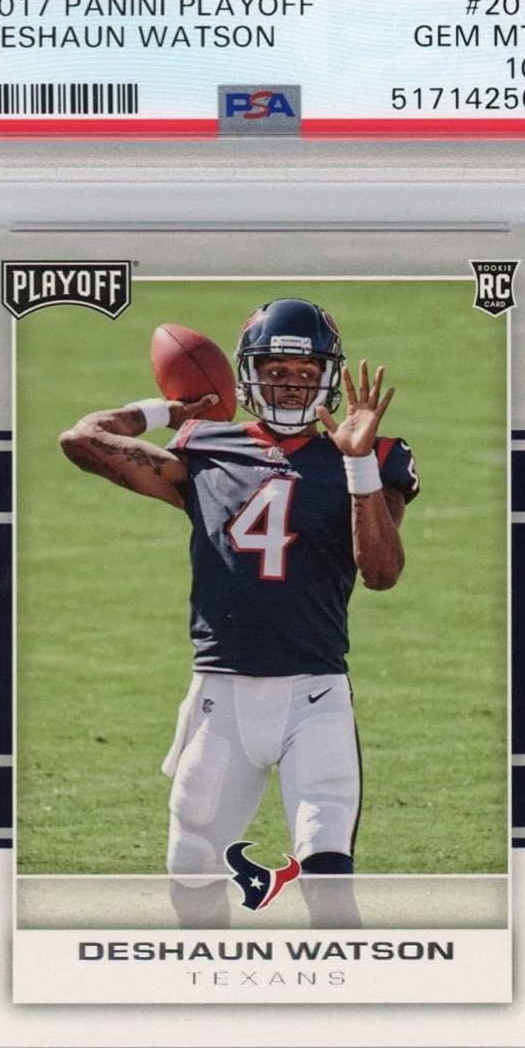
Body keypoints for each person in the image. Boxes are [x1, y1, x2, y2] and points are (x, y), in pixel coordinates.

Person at [59, 298, 419, 926]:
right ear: (249, 374)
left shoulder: (370, 456)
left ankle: (352, 989)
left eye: (306, 372)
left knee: (327, 875)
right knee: (191, 868)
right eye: (277, 370)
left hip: (314, 695)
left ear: (328, 378)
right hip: (220, 697)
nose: (291, 384)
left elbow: (382, 572)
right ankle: (209, 985)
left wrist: (358, 462)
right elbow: (81, 439)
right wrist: (169, 410)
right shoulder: (203, 448)